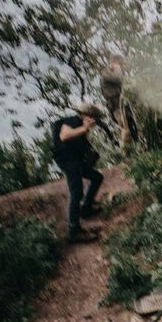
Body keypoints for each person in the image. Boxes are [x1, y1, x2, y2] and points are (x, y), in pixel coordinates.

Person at [52, 103, 105, 243]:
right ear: (87, 115)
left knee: (97, 177)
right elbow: (64, 135)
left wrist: (90, 153)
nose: (95, 122)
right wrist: (84, 128)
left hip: (76, 161)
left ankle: (86, 209)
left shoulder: (80, 125)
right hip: (68, 161)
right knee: (76, 192)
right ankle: (74, 230)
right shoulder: (73, 121)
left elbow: (79, 143)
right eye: (95, 118)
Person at [100, 54, 137, 151]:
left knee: (131, 126)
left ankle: (135, 149)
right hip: (116, 106)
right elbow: (119, 79)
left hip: (122, 105)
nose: (121, 66)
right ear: (114, 63)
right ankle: (127, 153)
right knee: (125, 128)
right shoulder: (106, 73)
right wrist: (117, 68)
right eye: (120, 64)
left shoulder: (112, 73)